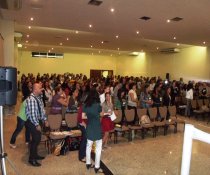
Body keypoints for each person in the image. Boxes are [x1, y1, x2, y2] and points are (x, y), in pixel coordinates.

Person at [25, 83, 49, 167]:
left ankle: (35, 155)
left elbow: (41, 110)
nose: (41, 89)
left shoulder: (37, 97)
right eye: (39, 88)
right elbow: (32, 114)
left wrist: (45, 119)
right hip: (32, 122)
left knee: (37, 139)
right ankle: (32, 159)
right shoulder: (31, 99)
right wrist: (36, 124)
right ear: (35, 90)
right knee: (35, 140)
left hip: (37, 121)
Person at [83, 88, 103, 174]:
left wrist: (90, 117)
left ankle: (88, 163)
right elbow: (101, 114)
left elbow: (83, 117)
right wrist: (97, 116)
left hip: (89, 127)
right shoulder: (98, 105)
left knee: (88, 146)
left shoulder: (85, 105)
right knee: (98, 148)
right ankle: (97, 166)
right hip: (97, 128)